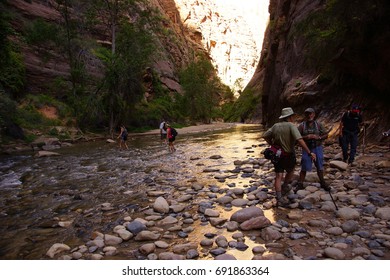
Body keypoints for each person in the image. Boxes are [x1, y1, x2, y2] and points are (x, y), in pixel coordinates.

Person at [262, 107, 316, 207]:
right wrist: (309, 152)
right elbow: (300, 140)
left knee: (278, 176)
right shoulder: (291, 126)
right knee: (290, 171)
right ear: (290, 117)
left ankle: (279, 198)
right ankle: (285, 186)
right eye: (292, 116)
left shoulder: (275, 126)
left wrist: (271, 144)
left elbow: (265, 135)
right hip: (288, 154)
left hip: (277, 155)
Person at [297, 108, 330, 191]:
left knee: (319, 165)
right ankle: (300, 184)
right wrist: (306, 137)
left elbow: (326, 135)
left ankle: (323, 183)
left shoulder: (318, 124)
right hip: (306, 148)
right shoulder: (301, 126)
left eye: (311, 114)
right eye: (307, 114)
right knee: (304, 165)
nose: (309, 116)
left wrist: (318, 137)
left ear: (314, 114)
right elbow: (297, 137)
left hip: (317, 147)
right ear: (305, 115)